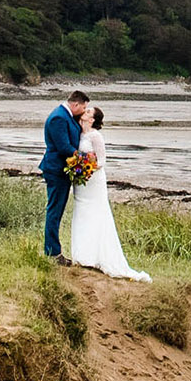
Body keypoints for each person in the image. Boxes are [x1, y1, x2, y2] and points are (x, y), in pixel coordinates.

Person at [65, 106, 150, 281]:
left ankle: (96, 256)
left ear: (92, 119)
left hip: (93, 180)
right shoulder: (79, 133)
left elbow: (102, 160)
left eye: (89, 112)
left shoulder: (95, 136)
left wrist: (87, 168)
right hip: (81, 182)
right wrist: (77, 167)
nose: (85, 112)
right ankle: (83, 255)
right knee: (81, 213)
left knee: (95, 212)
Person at [38, 90, 90, 263]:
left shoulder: (66, 116)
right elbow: (63, 147)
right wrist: (85, 158)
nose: (84, 111)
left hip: (61, 170)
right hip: (56, 170)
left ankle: (53, 251)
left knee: (57, 211)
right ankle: (52, 253)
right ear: (75, 104)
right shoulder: (58, 117)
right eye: (83, 107)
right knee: (54, 210)